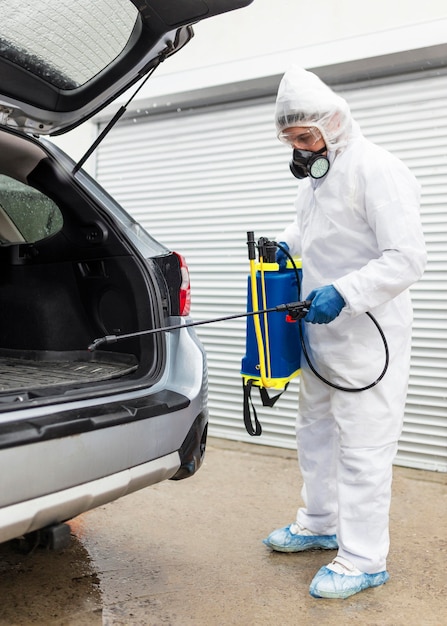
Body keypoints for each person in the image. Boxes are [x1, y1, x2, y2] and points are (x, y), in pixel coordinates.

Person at [263, 66, 427, 600]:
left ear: (334, 123)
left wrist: (347, 292)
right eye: (290, 139)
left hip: (367, 337)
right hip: (321, 336)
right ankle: (318, 521)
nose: (299, 147)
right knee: (314, 432)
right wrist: (282, 245)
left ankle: (363, 558)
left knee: (362, 445)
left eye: (305, 136)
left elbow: (406, 258)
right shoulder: (319, 177)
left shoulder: (377, 169)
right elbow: (316, 232)